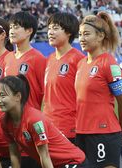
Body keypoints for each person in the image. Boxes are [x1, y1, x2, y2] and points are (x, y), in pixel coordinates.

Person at [76, 11, 122, 167]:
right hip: (81, 133)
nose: (81, 39)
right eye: (80, 34)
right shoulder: (81, 64)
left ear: (100, 36)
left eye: (86, 34)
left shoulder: (109, 64)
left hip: (104, 133)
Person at [0, 75, 86, 168]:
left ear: (18, 96)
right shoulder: (4, 121)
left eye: (3, 95)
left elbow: (45, 156)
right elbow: (14, 153)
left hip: (73, 162)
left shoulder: (34, 120)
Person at [43, 12, 85, 143]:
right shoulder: (49, 59)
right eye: (49, 28)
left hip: (70, 129)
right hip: (48, 126)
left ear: (68, 32)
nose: (50, 32)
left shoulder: (78, 60)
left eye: (55, 28)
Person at [4, 11, 46, 110]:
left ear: (29, 31)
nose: (12, 31)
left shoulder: (38, 58)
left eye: (16, 27)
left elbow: (46, 93)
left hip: (30, 119)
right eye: (11, 27)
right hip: (10, 119)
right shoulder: (7, 57)